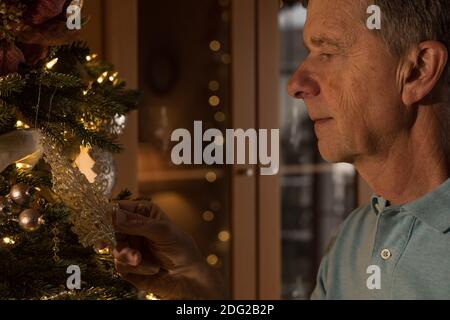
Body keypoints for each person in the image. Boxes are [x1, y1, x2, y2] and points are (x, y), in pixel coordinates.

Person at [112, 0, 450, 299]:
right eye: (308, 52)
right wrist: (200, 290)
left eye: (328, 53)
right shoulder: (352, 242)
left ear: (418, 70)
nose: (295, 83)